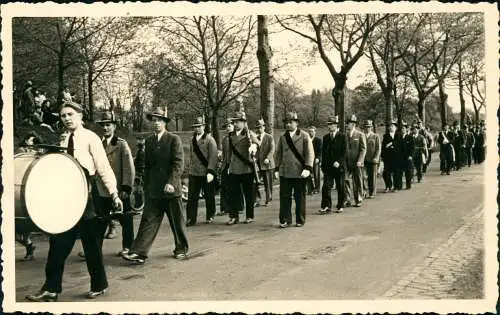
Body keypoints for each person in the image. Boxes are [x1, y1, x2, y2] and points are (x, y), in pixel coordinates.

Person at [26, 101, 123, 302]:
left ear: (80, 116)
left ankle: (99, 284)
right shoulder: (62, 139)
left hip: (87, 198)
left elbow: (103, 168)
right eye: (63, 116)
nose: (67, 118)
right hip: (67, 198)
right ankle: (51, 288)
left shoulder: (91, 138)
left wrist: (114, 194)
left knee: (91, 246)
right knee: (58, 243)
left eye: (71, 114)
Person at [123, 107, 188, 264]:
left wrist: (172, 182)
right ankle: (139, 252)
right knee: (148, 221)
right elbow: (146, 165)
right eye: (153, 120)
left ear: (165, 123)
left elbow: (178, 163)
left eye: (159, 120)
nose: (156, 123)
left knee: (176, 221)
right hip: (154, 190)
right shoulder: (149, 141)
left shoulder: (173, 139)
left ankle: (181, 248)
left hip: (171, 190)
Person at [95, 111, 136, 256]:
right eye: (103, 125)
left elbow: (129, 168)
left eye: (108, 125)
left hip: (119, 190)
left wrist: (126, 187)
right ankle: (95, 249)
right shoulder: (97, 144)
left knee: (126, 220)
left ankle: (128, 247)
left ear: (114, 127)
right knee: (100, 221)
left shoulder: (121, 144)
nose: (105, 128)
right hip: (101, 189)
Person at [275, 112, 314, 227]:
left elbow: (310, 153)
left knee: (299, 197)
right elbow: (278, 154)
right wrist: (276, 169)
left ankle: (300, 219)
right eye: (286, 122)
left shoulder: (304, 135)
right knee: (284, 197)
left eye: (290, 122)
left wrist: (307, 168)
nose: (288, 124)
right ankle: (286, 219)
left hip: (299, 172)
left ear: (296, 123)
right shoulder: (282, 137)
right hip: (285, 172)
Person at [225, 111, 260, 225]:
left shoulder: (249, 134)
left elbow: (258, 144)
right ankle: (233, 216)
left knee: (248, 194)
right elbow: (229, 153)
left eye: (238, 121)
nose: (235, 124)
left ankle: (250, 216)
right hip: (234, 168)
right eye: (234, 121)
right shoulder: (230, 135)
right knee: (233, 194)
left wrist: (254, 147)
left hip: (246, 168)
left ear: (244, 123)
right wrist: (228, 165)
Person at [16, 131, 44, 261]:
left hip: (32, 190)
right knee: (17, 230)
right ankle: (29, 246)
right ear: (26, 140)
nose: (33, 143)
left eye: (35, 141)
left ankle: (29, 248)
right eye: (31, 140)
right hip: (20, 188)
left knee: (25, 228)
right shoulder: (20, 151)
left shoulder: (39, 152)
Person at [186, 116, 218, 226]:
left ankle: (210, 215)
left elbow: (213, 156)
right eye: (195, 127)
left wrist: (210, 171)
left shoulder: (210, 139)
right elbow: (190, 155)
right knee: (192, 197)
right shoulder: (191, 140)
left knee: (209, 195)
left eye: (199, 126)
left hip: (206, 172)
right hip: (194, 172)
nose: (197, 129)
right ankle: (191, 218)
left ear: (203, 126)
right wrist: (189, 168)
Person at [319, 115, 346, 214]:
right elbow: (324, 153)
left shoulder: (342, 136)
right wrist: (323, 165)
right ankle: (326, 206)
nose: (329, 126)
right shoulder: (326, 137)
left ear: (335, 125)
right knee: (326, 186)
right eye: (328, 124)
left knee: (340, 186)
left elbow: (344, 152)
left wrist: (339, 162)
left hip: (339, 167)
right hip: (328, 167)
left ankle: (340, 205)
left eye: (331, 124)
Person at [216, 118, 243, 216]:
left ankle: (239, 207)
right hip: (225, 165)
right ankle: (224, 208)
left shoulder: (237, 138)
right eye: (226, 126)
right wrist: (220, 155)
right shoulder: (225, 139)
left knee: (236, 188)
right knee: (224, 187)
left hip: (235, 165)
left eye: (229, 126)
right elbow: (222, 151)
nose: (228, 128)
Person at [344, 115, 366, 207]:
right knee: (344, 180)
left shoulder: (360, 134)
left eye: (348, 124)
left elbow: (363, 149)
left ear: (353, 124)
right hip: (346, 162)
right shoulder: (344, 135)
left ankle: (358, 199)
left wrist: (360, 160)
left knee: (357, 181)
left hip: (357, 162)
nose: (347, 125)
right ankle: (347, 199)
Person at [254, 119, 275, 206]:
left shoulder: (269, 137)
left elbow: (272, 149)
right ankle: (257, 200)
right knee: (255, 182)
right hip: (258, 164)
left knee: (268, 183)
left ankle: (268, 199)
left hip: (267, 164)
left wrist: (268, 158)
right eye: (258, 128)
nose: (259, 129)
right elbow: (254, 149)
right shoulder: (255, 138)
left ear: (264, 127)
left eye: (261, 127)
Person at [381, 120, 403, 192]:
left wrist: (393, 145)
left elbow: (401, 146)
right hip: (388, 157)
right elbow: (383, 147)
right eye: (390, 126)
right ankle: (388, 186)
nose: (391, 127)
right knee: (386, 172)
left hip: (397, 157)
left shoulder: (399, 135)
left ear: (396, 128)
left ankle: (396, 187)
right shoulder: (386, 136)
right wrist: (382, 156)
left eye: (393, 126)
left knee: (396, 172)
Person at [362, 120, 381, 199]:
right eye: (366, 127)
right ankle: (364, 191)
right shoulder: (361, 135)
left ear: (371, 127)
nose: (367, 128)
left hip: (372, 159)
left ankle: (372, 192)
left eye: (369, 127)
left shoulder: (375, 136)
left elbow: (378, 148)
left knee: (372, 177)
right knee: (362, 176)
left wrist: (376, 157)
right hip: (363, 159)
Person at [307, 126, 322, 195]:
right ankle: (310, 188)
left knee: (316, 174)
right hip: (308, 159)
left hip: (316, 159)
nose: (310, 132)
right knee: (307, 174)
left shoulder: (318, 140)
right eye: (309, 131)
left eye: (312, 131)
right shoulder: (306, 140)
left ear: (315, 132)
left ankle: (317, 188)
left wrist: (318, 158)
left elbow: (320, 151)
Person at [401, 122, 414, 190]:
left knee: (408, 172)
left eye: (403, 128)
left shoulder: (410, 137)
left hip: (408, 157)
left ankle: (408, 185)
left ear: (406, 130)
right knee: (400, 172)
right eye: (401, 129)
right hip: (400, 157)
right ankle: (399, 185)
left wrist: (410, 155)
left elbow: (412, 147)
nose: (402, 130)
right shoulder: (399, 137)